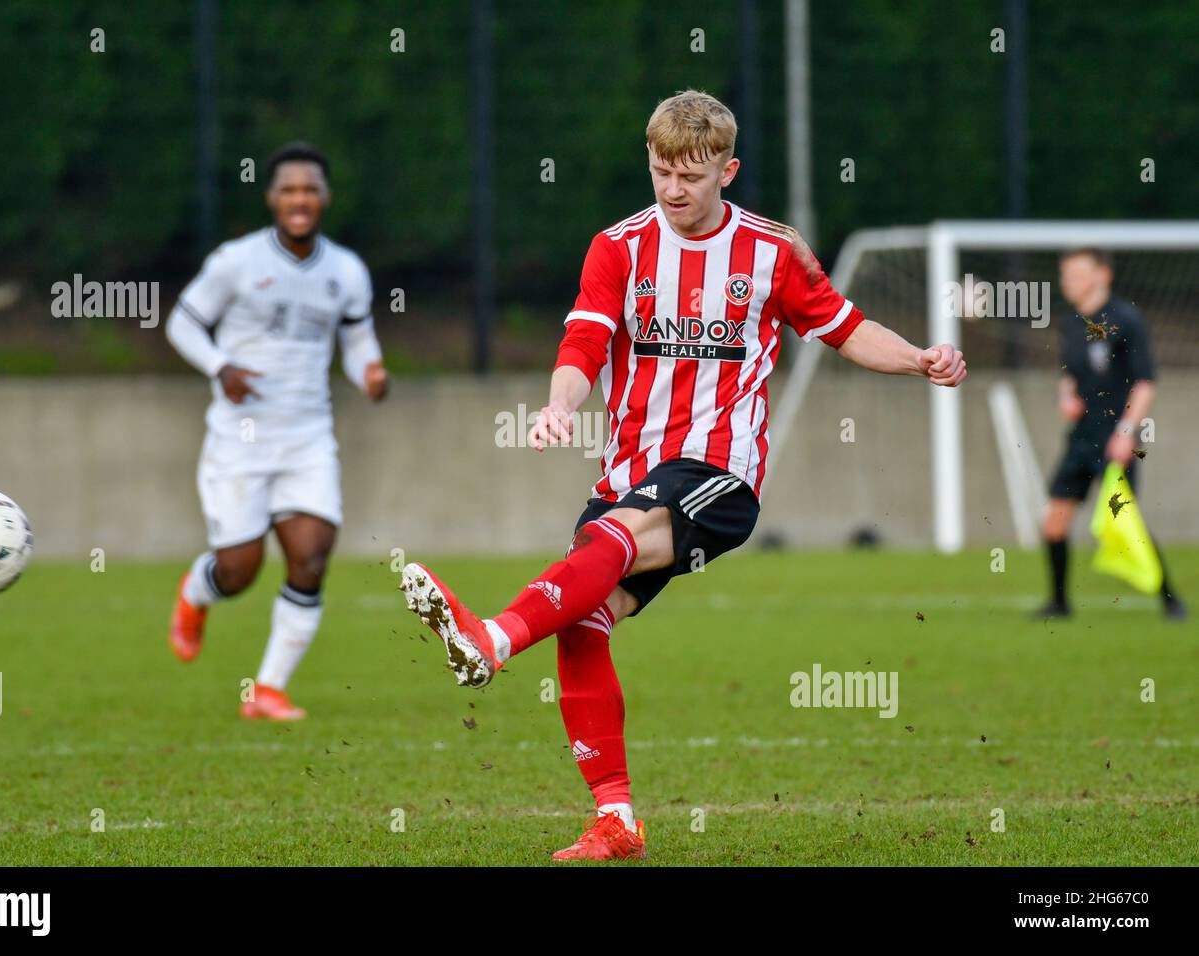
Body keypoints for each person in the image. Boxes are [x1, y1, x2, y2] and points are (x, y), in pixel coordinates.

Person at [398, 91, 967, 860]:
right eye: (662, 170)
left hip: (720, 473)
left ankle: (493, 638)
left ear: (727, 170)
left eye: (691, 176)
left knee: (613, 546)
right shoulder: (619, 247)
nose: (673, 189)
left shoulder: (769, 253)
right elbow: (583, 344)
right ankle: (618, 821)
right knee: (582, 622)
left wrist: (921, 358)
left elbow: (845, 327)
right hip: (628, 473)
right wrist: (560, 405)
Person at [165, 142, 389, 720]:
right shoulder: (236, 262)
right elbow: (182, 324)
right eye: (289, 189)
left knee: (310, 558)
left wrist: (369, 372)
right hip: (238, 439)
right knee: (237, 572)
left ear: (325, 198)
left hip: (309, 438)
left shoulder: (346, 271)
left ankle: (267, 689)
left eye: (310, 189)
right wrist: (221, 367)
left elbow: (357, 344)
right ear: (271, 197)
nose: (300, 199)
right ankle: (195, 595)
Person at [1036, 247, 1185, 620]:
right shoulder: (1071, 322)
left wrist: (1125, 433)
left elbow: (1145, 383)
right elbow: (1070, 374)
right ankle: (1059, 603)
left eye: (1076, 272)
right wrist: (1066, 396)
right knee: (1054, 520)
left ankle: (1170, 600)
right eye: (1065, 273)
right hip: (1081, 437)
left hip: (1116, 438)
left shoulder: (1126, 319)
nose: (1068, 280)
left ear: (1103, 275)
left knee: (1121, 523)